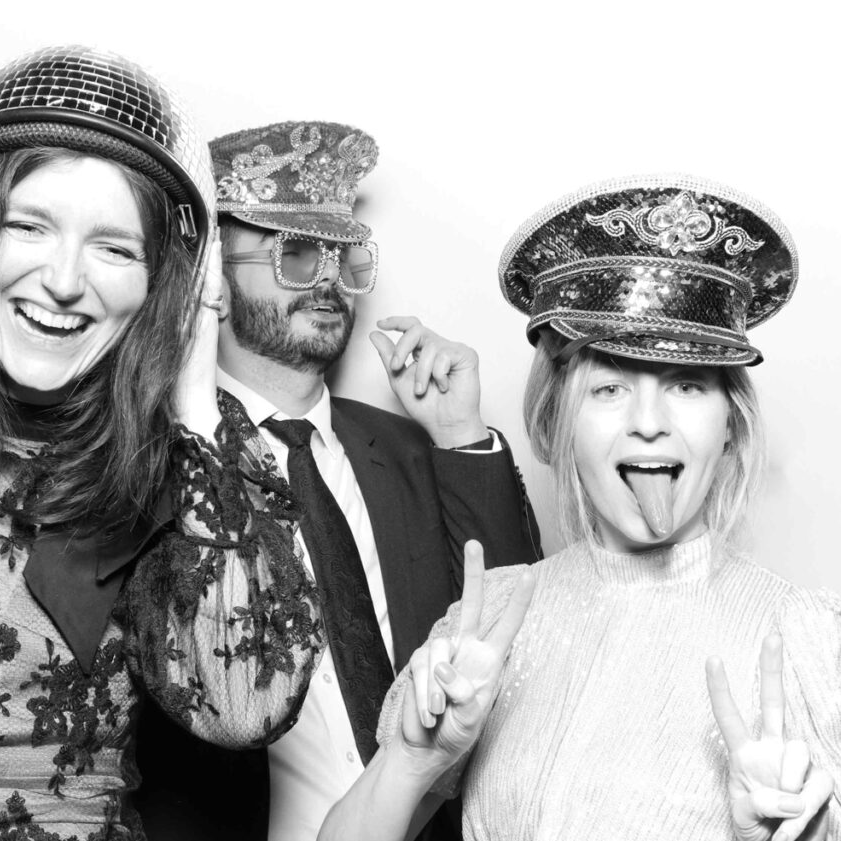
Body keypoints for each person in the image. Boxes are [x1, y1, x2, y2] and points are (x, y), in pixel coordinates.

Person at [0, 47, 322, 839]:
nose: (64, 279)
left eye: (115, 247)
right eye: (29, 225)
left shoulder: (190, 460)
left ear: (166, 284)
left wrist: (196, 398)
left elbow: (244, 708)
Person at [319, 174, 841, 840]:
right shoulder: (494, 621)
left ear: (731, 426)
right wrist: (413, 757)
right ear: (562, 420)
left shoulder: (795, 638)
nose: (649, 422)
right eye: (609, 388)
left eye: (688, 384)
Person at [132, 121, 542, 841]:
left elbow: (521, 638)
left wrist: (461, 435)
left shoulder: (410, 449)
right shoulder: (154, 458)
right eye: (294, 252)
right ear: (215, 273)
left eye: (341, 254)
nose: (326, 277)